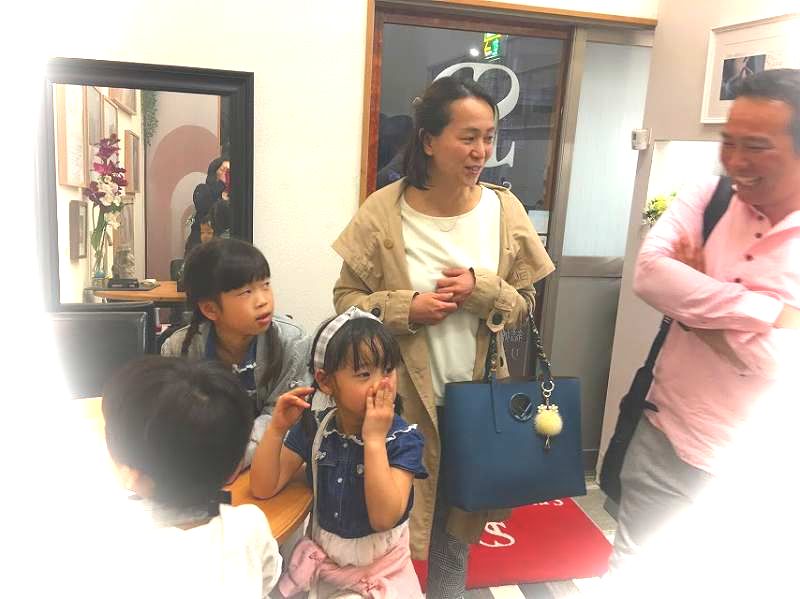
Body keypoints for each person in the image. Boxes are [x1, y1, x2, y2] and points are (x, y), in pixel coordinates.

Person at [331, 76, 555, 597]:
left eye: (489, 137)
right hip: (396, 405)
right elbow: (344, 302)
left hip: (475, 405)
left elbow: (525, 306)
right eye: (468, 137)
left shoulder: (504, 211)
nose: (481, 151)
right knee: (386, 531)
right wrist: (404, 308)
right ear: (429, 140)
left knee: (455, 536)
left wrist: (484, 291)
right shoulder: (384, 210)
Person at [609, 68, 800, 569]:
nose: (735, 160)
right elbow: (650, 275)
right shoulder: (709, 196)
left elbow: (783, 363)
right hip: (665, 439)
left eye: (756, 146)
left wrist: (693, 303)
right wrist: (769, 310)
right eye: (728, 141)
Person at [250, 308, 428, 598]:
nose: (382, 383)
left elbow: (384, 518)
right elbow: (263, 487)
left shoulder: (402, 439)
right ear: (325, 381)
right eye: (364, 374)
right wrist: (276, 429)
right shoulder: (317, 428)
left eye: (388, 369)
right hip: (326, 572)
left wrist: (374, 440)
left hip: (381, 575)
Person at [102, 356, 282, 598]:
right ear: (235, 467)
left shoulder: (113, 551)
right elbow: (267, 577)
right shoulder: (249, 525)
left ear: (131, 474)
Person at [161, 238, 312, 466]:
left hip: (269, 460)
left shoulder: (293, 343)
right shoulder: (179, 348)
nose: (263, 301)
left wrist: (234, 460)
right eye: (246, 292)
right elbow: (177, 418)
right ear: (210, 309)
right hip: (202, 460)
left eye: (266, 285)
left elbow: (280, 417)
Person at [185, 157, 229, 254]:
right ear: (214, 172)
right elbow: (203, 206)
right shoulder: (203, 189)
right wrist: (221, 184)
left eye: (230, 171)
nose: (227, 174)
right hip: (200, 244)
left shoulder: (237, 196)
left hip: (225, 247)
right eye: (223, 170)